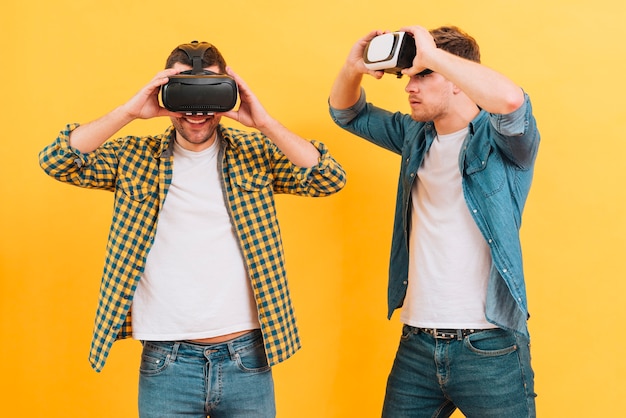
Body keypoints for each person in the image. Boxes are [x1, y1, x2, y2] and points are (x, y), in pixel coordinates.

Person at [39, 40, 346, 417]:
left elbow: (328, 178)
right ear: (166, 95)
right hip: (166, 362)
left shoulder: (256, 155)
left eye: (211, 92)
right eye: (184, 91)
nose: (197, 110)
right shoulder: (133, 157)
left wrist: (263, 122)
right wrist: (130, 111)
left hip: (246, 358)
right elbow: (57, 160)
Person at [329, 25, 539, 417]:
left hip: (490, 345)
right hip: (417, 344)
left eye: (423, 75)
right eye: (408, 77)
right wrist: (352, 65)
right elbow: (346, 112)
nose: (411, 86)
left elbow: (512, 101)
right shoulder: (415, 135)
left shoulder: (502, 141)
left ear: (458, 78)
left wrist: (433, 55)